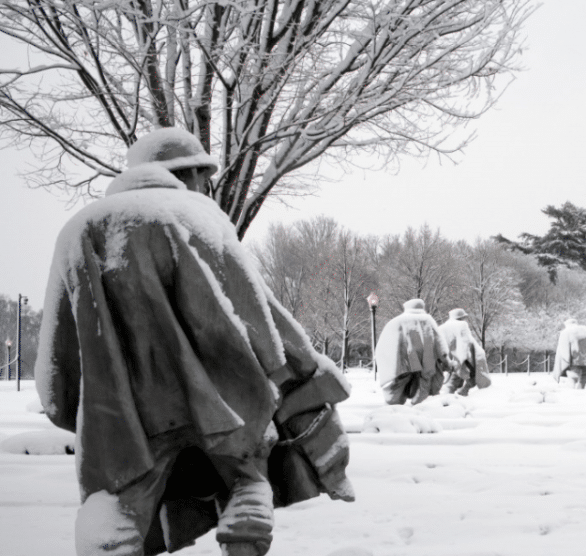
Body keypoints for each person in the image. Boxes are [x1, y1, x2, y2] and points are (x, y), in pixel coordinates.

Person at [35, 128, 353, 556]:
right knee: (245, 471)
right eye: (203, 176)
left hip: (125, 412)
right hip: (224, 403)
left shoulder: (78, 231)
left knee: (117, 503)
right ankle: (247, 502)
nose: (206, 186)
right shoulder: (200, 220)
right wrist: (303, 368)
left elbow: (58, 348)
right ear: (185, 174)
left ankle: (111, 539)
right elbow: (257, 313)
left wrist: (67, 406)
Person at [375, 298, 451, 405]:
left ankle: (394, 411)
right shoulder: (427, 320)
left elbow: (383, 346)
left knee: (396, 395)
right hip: (425, 362)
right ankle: (418, 409)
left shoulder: (395, 322)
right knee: (423, 389)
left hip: (402, 364)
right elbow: (440, 344)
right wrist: (446, 362)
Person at [438, 308, 492, 396]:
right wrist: (465, 359)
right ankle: (462, 392)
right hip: (466, 357)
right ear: (460, 317)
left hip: (452, 359)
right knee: (474, 377)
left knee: (456, 378)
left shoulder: (441, 328)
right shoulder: (462, 325)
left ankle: (449, 396)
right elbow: (465, 343)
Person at [552, 319, 586, 389]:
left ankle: (574, 392)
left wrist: (566, 360)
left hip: (573, 360)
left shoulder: (565, 332)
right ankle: (580, 391)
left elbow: (563, 348)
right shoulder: (585, 331)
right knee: (584, 376)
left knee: (572, 376)